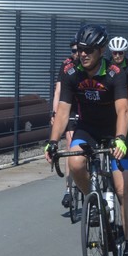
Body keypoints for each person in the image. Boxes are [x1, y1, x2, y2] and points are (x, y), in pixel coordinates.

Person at [45, 24, 128, 256]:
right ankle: (93, 199)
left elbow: (122, 110)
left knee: (123, 190)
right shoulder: (71, 73)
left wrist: (121, 137)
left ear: (101, 50)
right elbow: (63, 111)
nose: (83, 54)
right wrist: (52, 141)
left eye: (89, 50)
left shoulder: (115, 73)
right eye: (80, 49)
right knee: (75, 163)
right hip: (88, 129)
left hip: (115, 130)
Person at [51, 36, 79, 209]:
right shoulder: (66, 65)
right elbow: (58, 91)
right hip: (71, 108)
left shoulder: (89, 64)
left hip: (87, 108)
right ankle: (68, 190)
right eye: (73, 51)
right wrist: (55, 113)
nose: (77, 53)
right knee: (69, 145)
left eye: (79, 50)